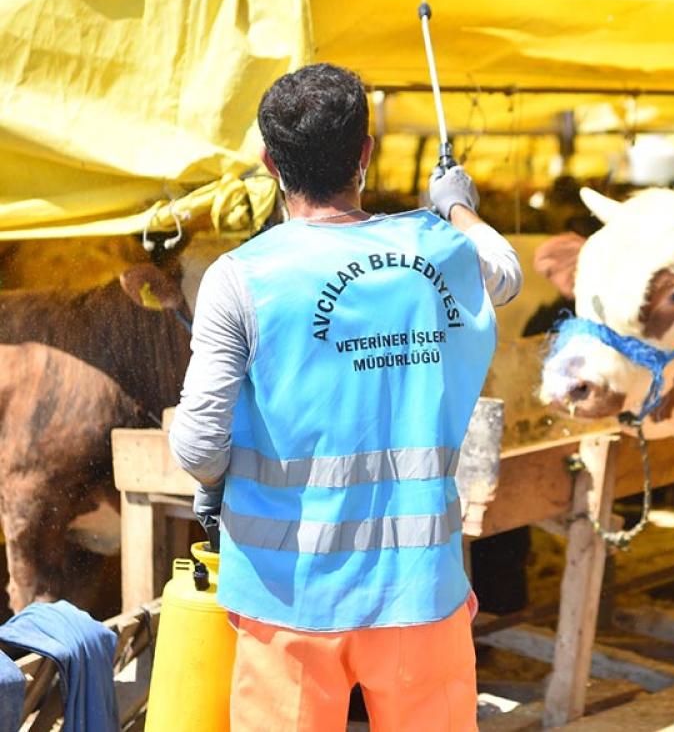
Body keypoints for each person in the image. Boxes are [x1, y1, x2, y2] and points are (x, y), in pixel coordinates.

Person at [168, 62, 521, 731]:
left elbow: (197, 443)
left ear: (270, 163)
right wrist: (455, 203)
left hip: (287, 599)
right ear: (366, 153)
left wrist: (214, 485)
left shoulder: (239, 277)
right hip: (421, 593)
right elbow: (504, 272)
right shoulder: (436, 251)